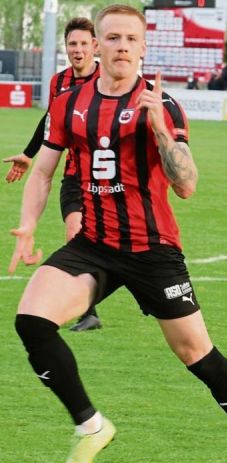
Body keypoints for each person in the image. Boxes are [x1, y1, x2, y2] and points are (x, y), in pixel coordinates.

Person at [9, 5, 227, 462]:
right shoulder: (69, 103)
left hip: (152, 250)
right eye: (113, 37)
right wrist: (28, 226)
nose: (122, 46)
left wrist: (159, 127)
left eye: (131, 39)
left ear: (143, 46)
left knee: (198, 355)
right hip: (93, 245)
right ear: (96, 45)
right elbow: (43, 171)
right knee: (32, 321)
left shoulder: (163, 104)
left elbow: (187, 186)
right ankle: (91, 426)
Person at [3, 17, 103, 333]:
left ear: (95, 46)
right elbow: (51, 120)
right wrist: (29, 154)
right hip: (74, 174)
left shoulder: (108, 79)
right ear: (66, 47)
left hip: (106, 174)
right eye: (73, 44)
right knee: (75, 234)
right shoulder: (58, 83)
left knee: (118, 242)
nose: (78, 49)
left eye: (84, 44)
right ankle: (89, 311)